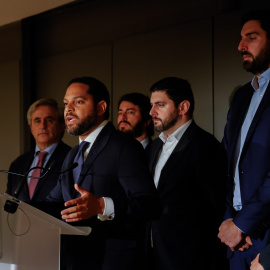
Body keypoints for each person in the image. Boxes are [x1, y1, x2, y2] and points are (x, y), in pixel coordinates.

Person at [43, 77, 160, 270]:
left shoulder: (124, 146)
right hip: (76, 260)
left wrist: (102, 205)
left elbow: (149, 205)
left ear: (101, 107)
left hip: (113, 261)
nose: (68, 109)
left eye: (78, 102)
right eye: (66, 103)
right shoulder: (72, 154)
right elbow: (53, 204)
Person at [147, 77, 227, 270]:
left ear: (183, 107)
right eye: (151, 105)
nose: (151, 112)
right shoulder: (154, 147)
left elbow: (217, 206)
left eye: (160, 105)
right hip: (154, 254)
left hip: (192, 258)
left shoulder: (205, 146)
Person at [218, 9, 270, 270]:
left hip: (265, 237)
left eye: (251, 37)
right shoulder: (241, 97)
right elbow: (227, 165)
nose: (240, 46)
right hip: (236, 239)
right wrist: (231, 222)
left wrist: (244, 224)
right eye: (241, 38)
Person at [6, 98, 71, 202]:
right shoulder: (17, 164)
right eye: (37, 121)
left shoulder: (72, 159)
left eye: (49, 120)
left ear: (62, 125)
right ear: (31, 128)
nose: (42, 126)